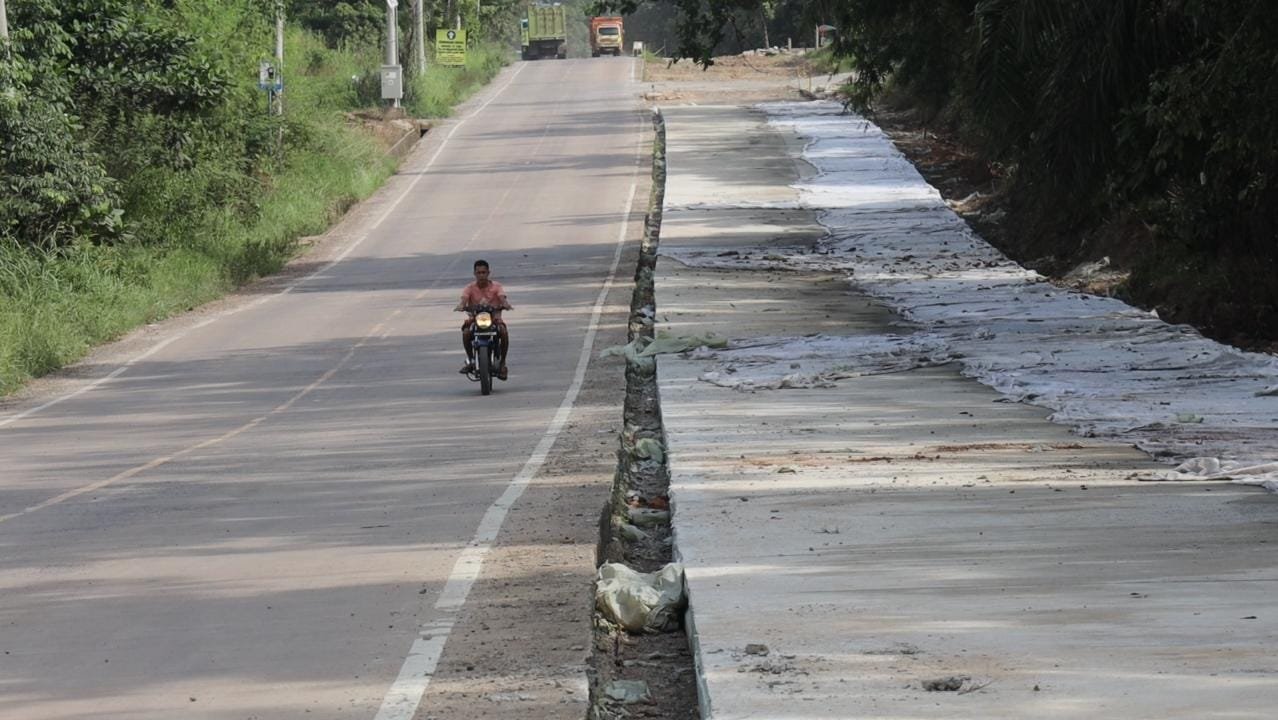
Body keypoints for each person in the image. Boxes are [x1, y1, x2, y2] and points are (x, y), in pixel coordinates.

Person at [456, 259, 512, 380]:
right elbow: (464, 299)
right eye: (479, 273)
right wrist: (461, 306)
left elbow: (502, 298)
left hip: (494, 319)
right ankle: (471, 360)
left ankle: (502, 363)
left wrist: (505, 304)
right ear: (474, 274)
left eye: (483, 272)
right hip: (475, 320)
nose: (481, 275)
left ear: (488, 273)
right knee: (466, 333)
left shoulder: (497, 286)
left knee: (503, 332)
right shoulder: (469, 287)